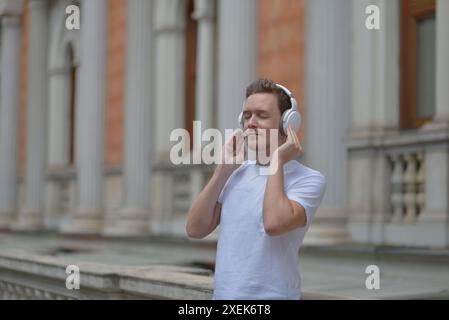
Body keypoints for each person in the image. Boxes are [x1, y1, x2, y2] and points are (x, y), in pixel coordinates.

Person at [186, 78, 326, 300]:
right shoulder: (236, 173)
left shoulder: (309, 180)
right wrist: (223, 170)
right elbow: (195, 229)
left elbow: (273, 223)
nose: (251, 123)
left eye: (261, 115)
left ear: (287, 124)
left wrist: (277, 161)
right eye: (247, 115)